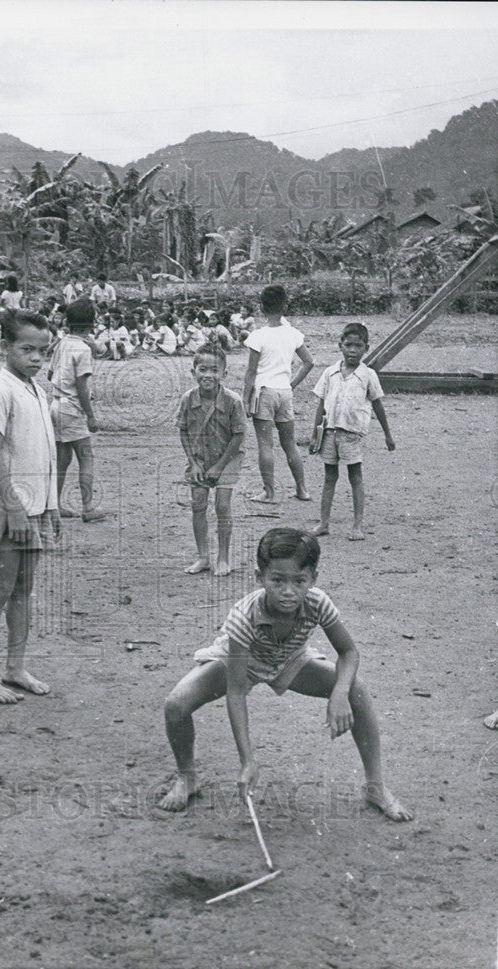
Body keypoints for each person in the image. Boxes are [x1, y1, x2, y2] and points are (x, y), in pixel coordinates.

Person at [158, 527, 413, 822]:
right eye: (277, 580)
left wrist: (340, 693)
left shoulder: (318, 602)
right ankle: (187, 777)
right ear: (260, 577)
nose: (289, 591)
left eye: (299, 581)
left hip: (289, 659)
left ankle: (375, 787)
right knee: (176, 705)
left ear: (313, 579)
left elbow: (348, 653)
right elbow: (237, 691)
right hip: (242, 661)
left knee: (357, 690)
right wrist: (247, 761)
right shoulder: (244, 616)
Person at [0, 310, 62, 704]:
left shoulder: (36, 389)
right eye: (27, 350)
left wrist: (50, 504)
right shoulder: (0, 390)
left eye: (43, 351)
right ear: (6, 347)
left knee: (23, 590)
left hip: (35, 506)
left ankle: (15, 666)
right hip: (10, 508)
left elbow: (46, 453)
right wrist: (14, 507)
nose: (36, 358)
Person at [310, 323, 395, 541]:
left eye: (358, 346)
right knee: (329, 477)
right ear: (340, 346)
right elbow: (321, 404)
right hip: (329, 432)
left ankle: (357, 526)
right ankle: (323, 523)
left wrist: (387, 434)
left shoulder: (368, 375)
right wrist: (314, 433)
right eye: (348, 345)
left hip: (352, 434)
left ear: (366, 348)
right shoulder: (330, 373)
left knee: (355, 477)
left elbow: (377, 405)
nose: (352, 350)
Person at [176, 345, 246, 576]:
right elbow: (183, 430)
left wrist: (219, 465)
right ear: (193, 371)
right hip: (199, 459)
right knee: (198, 505)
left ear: (224, 374)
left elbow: (238, 435)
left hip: (227, 459)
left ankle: (223, 557)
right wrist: (193, 462)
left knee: (222, 506)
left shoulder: (233, 401)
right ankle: (203, 557)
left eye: (214, 370)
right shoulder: (188, 399)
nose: (208, 375)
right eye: (202, 369)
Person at [243, 284, 314, 504]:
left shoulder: (258, 336)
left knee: (265, 444)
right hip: (284, 392)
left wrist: (245, 398)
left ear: (261, 307)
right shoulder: (292, 333)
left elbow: (251, 371)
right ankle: (302, 489)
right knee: (289, 444)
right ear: (285, 305)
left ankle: (270, 492)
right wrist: (292, 384)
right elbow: (309, 362)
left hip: (264, 392)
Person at [49, 298, 108, 524]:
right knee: (86, 457)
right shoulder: (83, 349)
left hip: (55, 403)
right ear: (91, 324)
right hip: (72, 408)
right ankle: (88, 507)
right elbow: (82, 386)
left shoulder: (62, 343)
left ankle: (54, 505)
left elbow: (49, 374)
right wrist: (91, 415)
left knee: (63, 459)